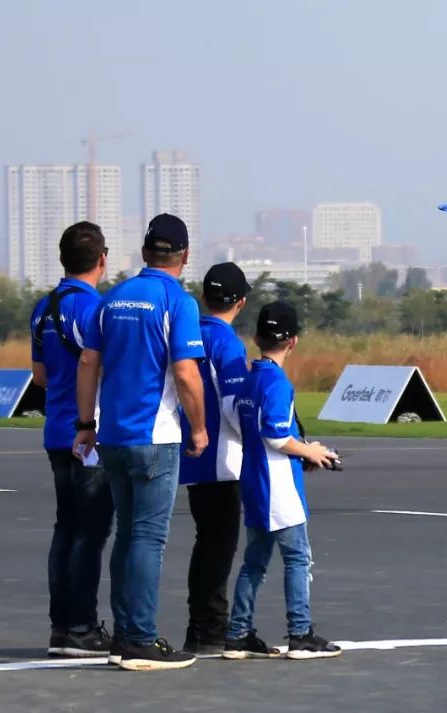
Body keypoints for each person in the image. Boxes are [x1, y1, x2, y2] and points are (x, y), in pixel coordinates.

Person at [73, 213, 207, 672]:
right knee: (148, 538)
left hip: (111, 436)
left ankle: (125, 635)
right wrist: (200, 427)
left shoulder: (112, 299)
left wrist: (85, 422)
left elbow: (88, 363)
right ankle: (140, 639)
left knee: (127, 536)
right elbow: (187, 373)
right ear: (184, 256)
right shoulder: (178, 301)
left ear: (145, 252)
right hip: (156, 436)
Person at [223, 301, 342, 660]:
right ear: (293, 341)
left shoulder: (249, 380)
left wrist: (304, 446)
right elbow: (275, 435)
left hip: (254, 483)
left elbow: (241, 424)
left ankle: (238, 633)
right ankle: (300, 633)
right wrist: (309, 453)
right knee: (297, 558)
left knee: (254, 562)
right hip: (279, 488)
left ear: (257, 338)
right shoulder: (277, 382)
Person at [30, 221, 112, 658]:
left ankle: (61, 627)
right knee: (91, 532)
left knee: (65, 528)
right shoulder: (95, 309)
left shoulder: (43, 307)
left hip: (55, 429)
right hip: (89, 432)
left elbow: (39, 375)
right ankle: (82, 627)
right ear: (102, 260)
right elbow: (100, 365)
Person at [178, 262, 251, 656]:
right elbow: (235, 405)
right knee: (220, 545)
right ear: (241, 302)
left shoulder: (188, 333)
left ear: (204, 297)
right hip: (224, 458)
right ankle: (211, 628)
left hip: (191, 454)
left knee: (205, 542)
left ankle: (199, 625)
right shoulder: (228, 343)